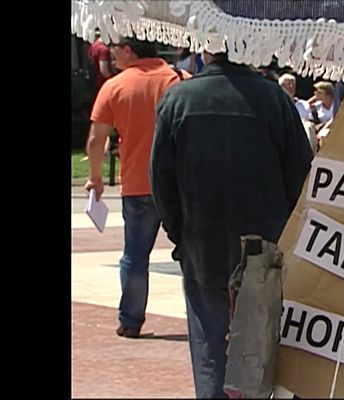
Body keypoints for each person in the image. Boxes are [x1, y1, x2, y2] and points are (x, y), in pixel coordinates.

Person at [151, 50, 313, 398]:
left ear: (205, 49)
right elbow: (303, 180)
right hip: (263, 249)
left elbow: (161, 181)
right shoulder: (274, 100)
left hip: (202, 246)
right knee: (261, 358)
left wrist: (179, 236)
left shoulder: (178, 100)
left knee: (211, 354)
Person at [84, 35, 190, 339]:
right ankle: (202, 316)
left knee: (135, 255)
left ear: (129, 51)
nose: (110, 55)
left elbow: (96, 139)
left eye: (115, 49)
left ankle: (130, 320)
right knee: (192, 253)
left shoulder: (115, 86)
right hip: (179, 183)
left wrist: (96, 178)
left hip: (138, 183)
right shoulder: (180, 80)